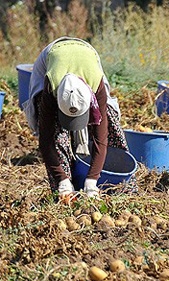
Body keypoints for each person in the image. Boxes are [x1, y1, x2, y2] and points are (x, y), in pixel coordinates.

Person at [22, 36, 130, 199]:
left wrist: (92, 180)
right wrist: (61, 179)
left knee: (111, 123)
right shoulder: (50, 88)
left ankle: (123, 187)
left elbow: (101, 138)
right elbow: (45, 140)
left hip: (87, 57)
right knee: (57, 137)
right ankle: (65, 190)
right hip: (51, 59)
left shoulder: (96, 83)